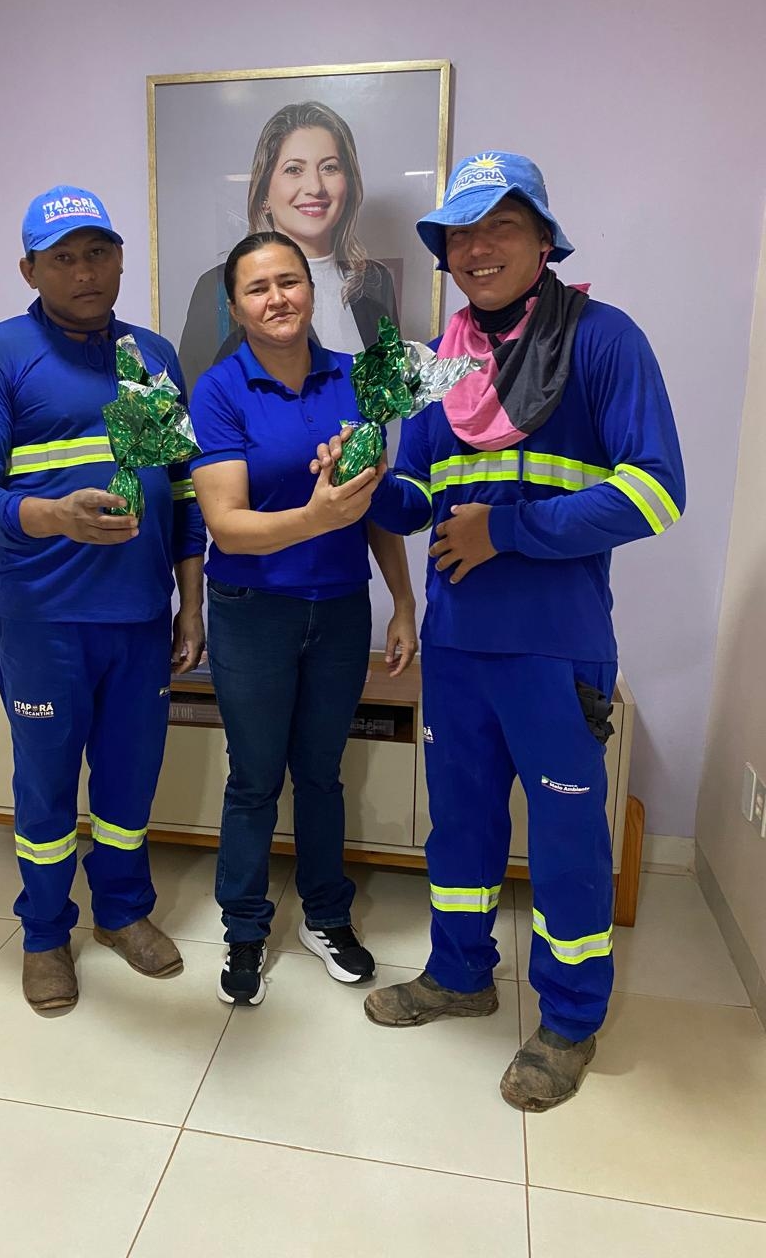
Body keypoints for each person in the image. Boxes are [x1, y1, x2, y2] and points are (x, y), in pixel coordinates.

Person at [350, 151, 686, 1109]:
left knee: (569, 839)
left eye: (502, 225)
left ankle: (570, 1019)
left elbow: (657, 492)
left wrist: (506, 531)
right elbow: (418, 497)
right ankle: (459, 974)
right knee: (458, 824)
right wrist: (366, 482)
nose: (479, 247)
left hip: (555, 647)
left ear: (544, 239)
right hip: (458, 647)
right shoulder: (439, 363)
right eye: (461, 233)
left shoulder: (605, 341)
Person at [0, 185, 206, 1012]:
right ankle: (45, 933)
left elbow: (184, 492)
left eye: (97, 253)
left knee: (128, 781)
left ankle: (122, 913)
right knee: (47, 784)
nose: (84, 271)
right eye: (63, 258)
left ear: (121, 259)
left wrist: (191, 604)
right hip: (44, 621)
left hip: (141, 619)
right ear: (30, 269)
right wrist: (52, 515)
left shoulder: (154, 355)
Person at [188, 230, 417, 1007]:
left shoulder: (355, 380)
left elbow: (372, 503)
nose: (277, 298)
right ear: (235, 307)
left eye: (289, 281)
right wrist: (318, 517)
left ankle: (326, 915)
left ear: (312, 290)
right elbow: (227, 527)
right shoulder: (219, 391)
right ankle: (245, 929)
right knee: (255, 779)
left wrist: (402, 600)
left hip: (341, 608)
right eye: (257, 288)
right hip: (253, 611)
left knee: (321, 775)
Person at [179, 100, 398, 389]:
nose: (315, 187)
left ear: (349, 184)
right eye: (294, 169)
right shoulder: (217, 287)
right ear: (264, 194)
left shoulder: (374, 281)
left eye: (329, 167)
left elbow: (392, 392)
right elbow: (198, 400)